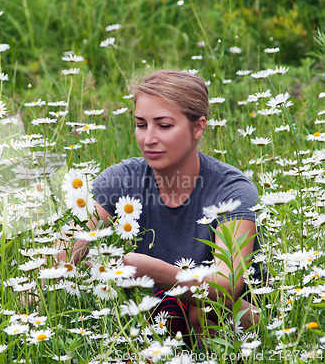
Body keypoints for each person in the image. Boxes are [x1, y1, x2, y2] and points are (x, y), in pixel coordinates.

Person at [69, 69, 261, 341]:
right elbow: (65, 250)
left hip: (230, 328)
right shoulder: (121, 180)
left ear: (198, 127)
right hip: (149, 322)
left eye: (164, 125)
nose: (148, 139)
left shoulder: (231, 190)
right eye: (141, 124)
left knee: (203, 311)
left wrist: (153, 271)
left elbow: (226, 288)